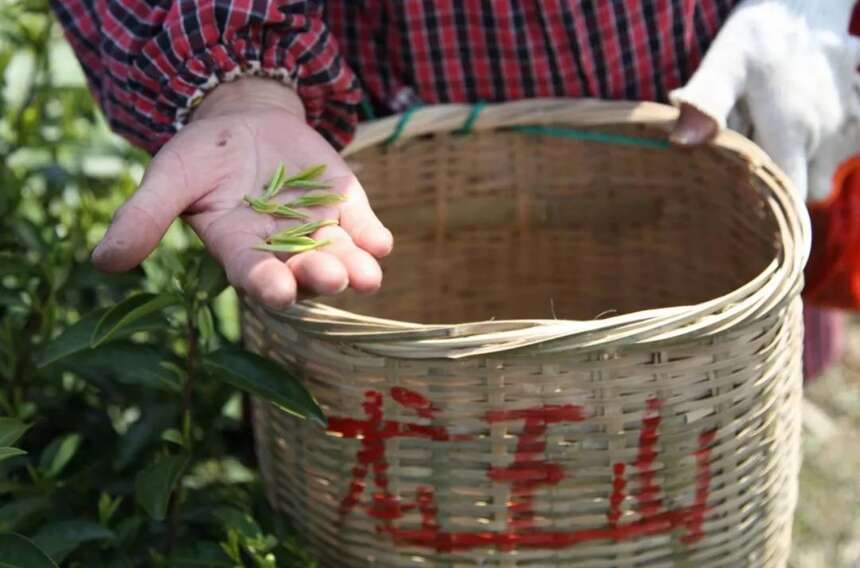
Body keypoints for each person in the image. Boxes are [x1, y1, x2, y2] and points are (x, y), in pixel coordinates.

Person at [51, 0, 858, 380]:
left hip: (701, 87)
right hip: (371, 134)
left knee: (699, 444)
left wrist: (819, 13)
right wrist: (241, 87)